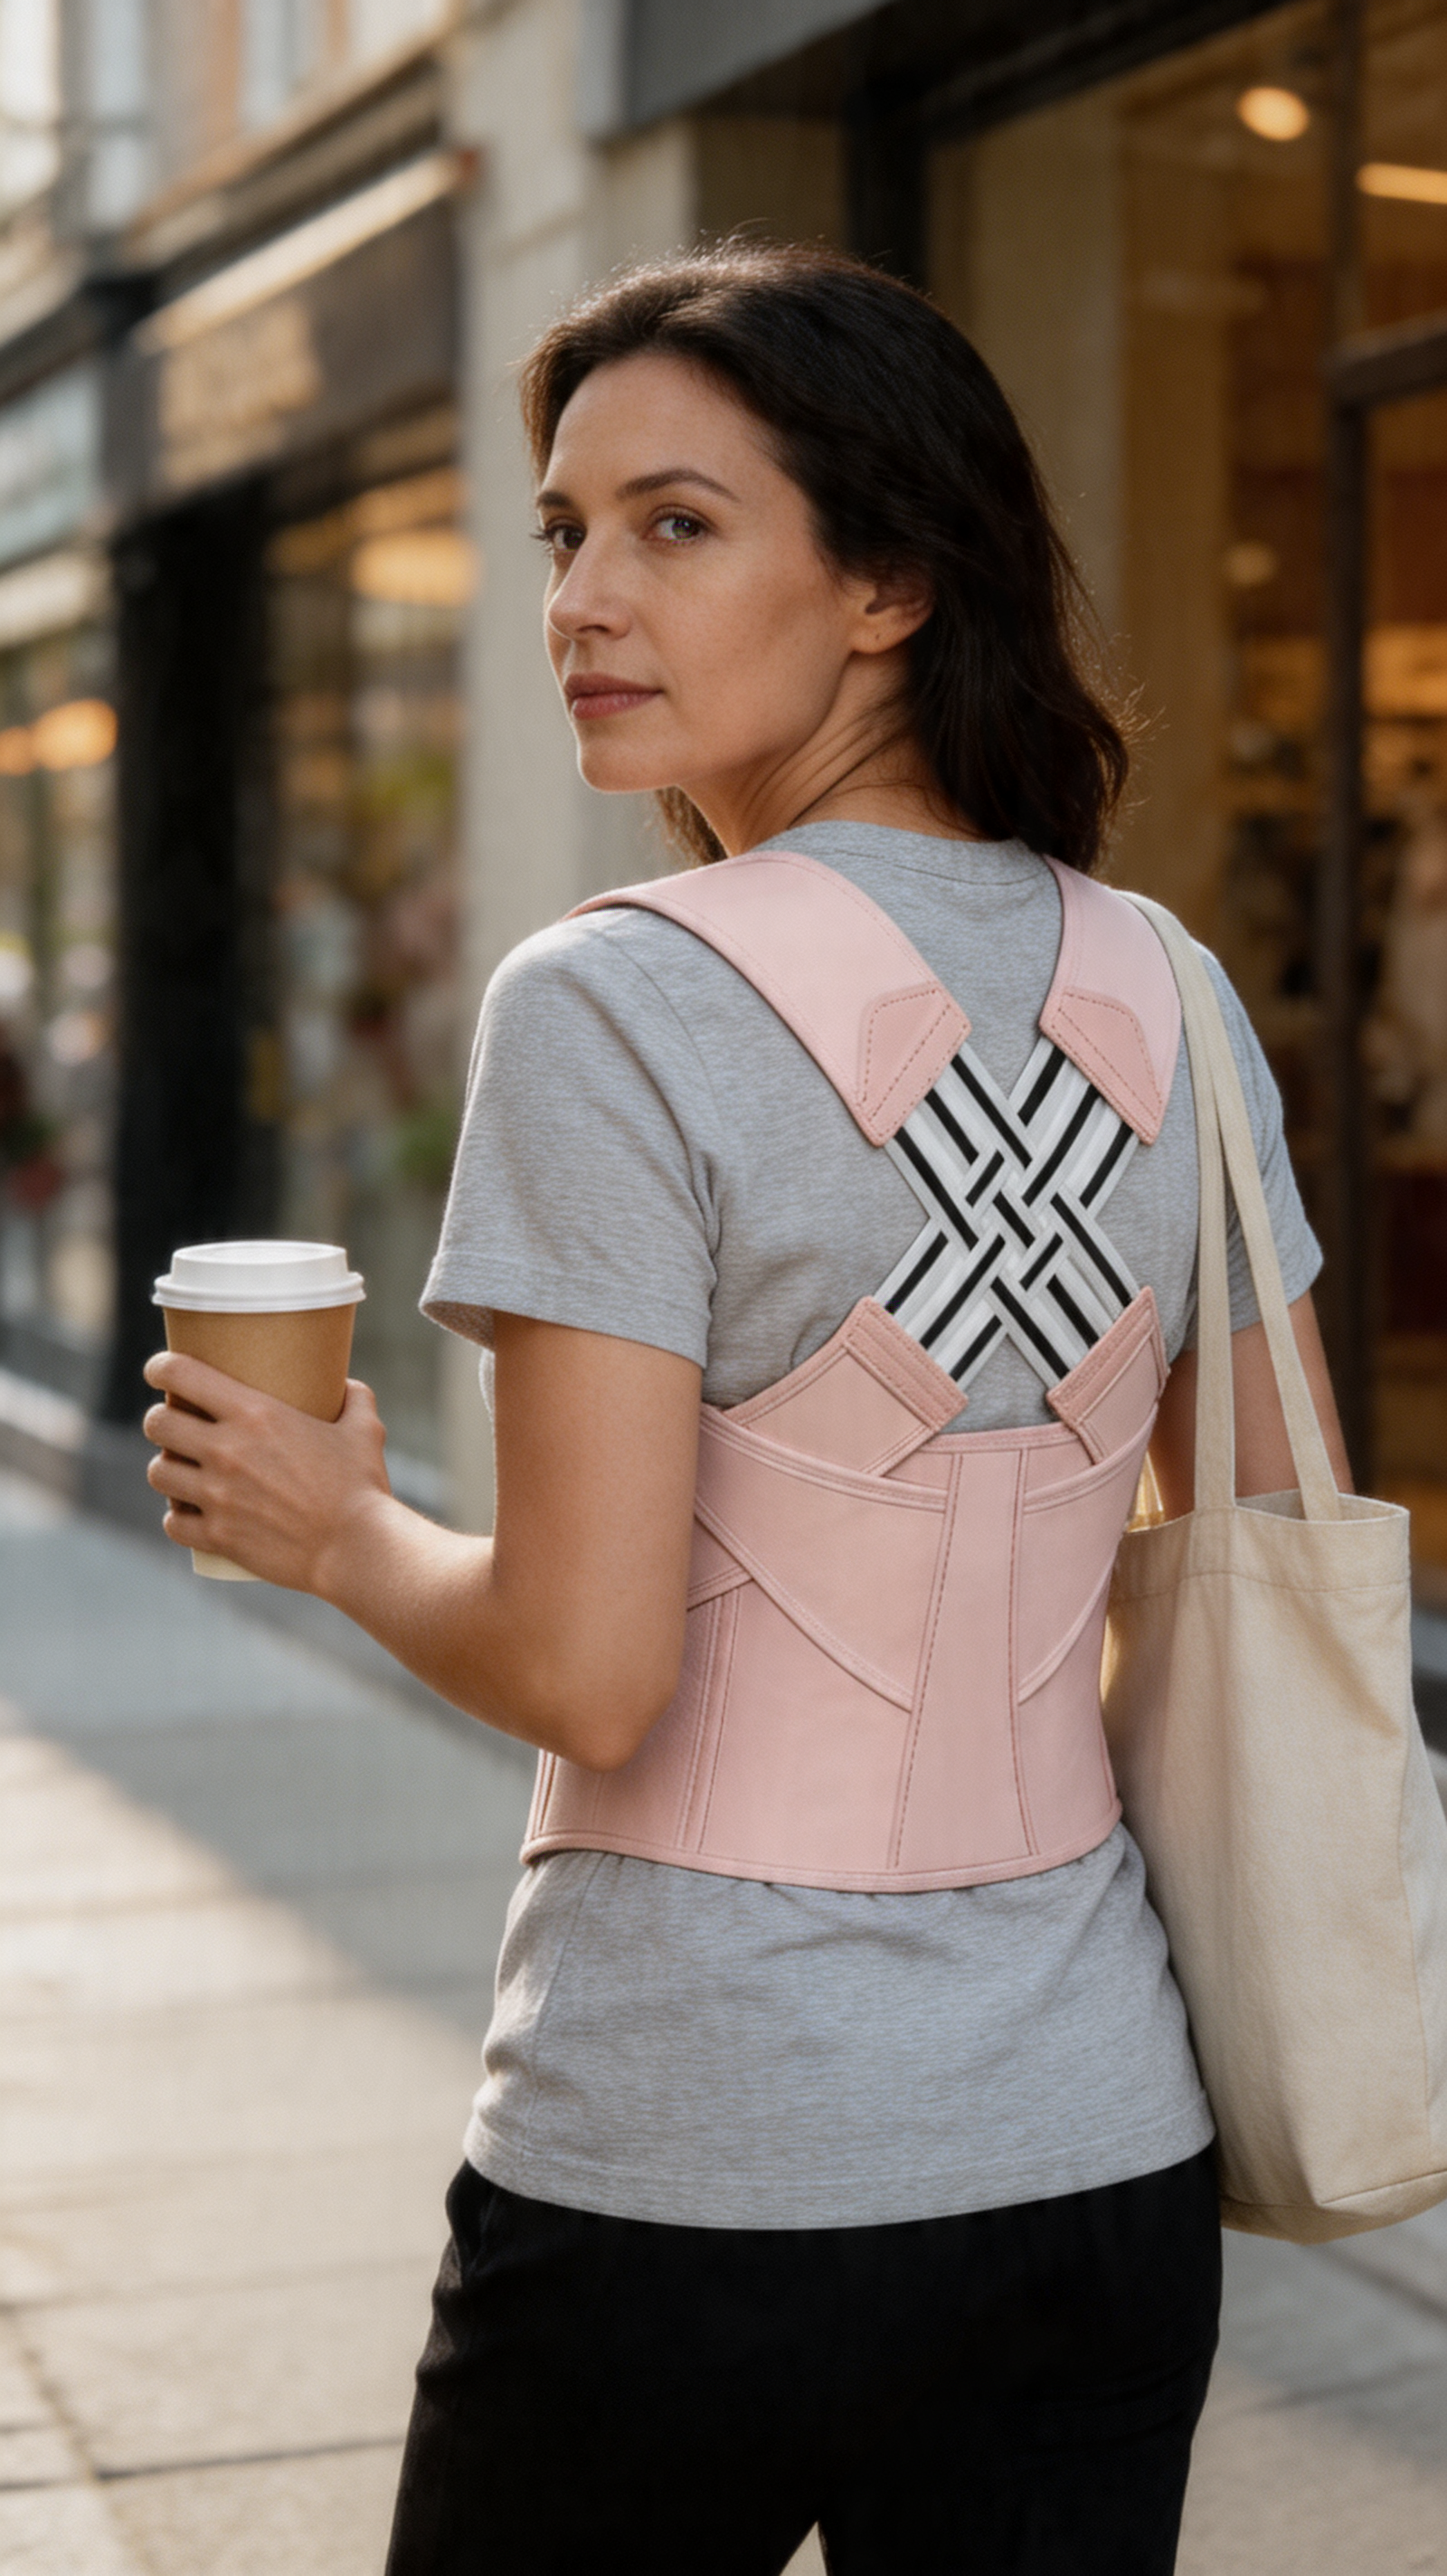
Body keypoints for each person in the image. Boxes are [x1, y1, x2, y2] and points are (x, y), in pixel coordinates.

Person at [143, 242, 1350, 2574]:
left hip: (692, 2162)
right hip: (1100, 2162)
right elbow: (1266, 1546)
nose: (587, 595)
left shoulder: (617, 1004)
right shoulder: (1168, 986)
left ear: (891, 576)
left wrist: (334, 1527)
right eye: (566, 532)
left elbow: (593, 1669)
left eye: (678, 525)